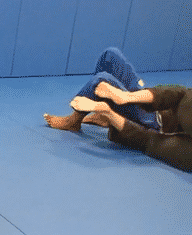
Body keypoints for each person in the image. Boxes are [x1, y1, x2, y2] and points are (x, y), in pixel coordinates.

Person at [44, 47, 192, 172]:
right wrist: (125, 97)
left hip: (154, 124)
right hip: (157, 109)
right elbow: (177, 94)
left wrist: (108, 111)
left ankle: (74, 121)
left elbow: (148, 140)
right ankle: (103, 112)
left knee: (101, 80)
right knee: (110, 55)